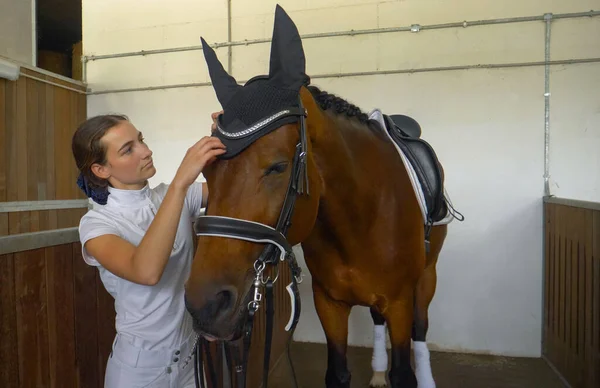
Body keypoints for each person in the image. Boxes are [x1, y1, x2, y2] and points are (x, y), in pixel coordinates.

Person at [71, 111, 224, 388]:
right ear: (101, 170)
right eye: (128, 149)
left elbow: (235, 187)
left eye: (140, 140)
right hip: (140, 371)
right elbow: (146, 271)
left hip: (191, 359)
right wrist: (180, 183)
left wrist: (229, 133)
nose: (146, 151)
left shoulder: (173, 195)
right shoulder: (97, 224)